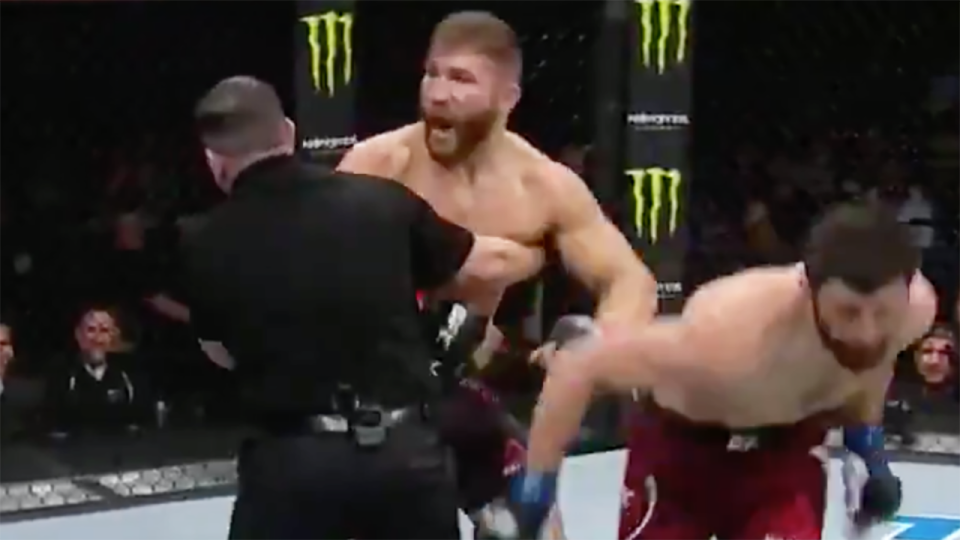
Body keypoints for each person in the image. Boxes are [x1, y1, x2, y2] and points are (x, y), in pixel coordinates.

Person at [180, 75, 545, 540]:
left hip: (292, 463)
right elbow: (488, 263)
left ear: (214, 159)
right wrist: (538, 251)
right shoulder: (379, 201)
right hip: (402, 456)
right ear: (289, 133)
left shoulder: (204, 241)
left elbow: (220, 354)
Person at [336, 11, 657, 537]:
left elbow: (630, 281)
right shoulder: (379, 165)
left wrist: (596, 349)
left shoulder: (541, 186)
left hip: (461, 396)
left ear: (508, 97)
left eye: (460, 79)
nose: (437, 94)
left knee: (537, 530)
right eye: (432, 74)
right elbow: (316, 271)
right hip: (373, 400)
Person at [512, 202, 937, 540]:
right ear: (809, 288)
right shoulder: (732, 330)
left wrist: (869, 451)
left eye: (882, 312)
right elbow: (580, 366)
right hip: (680, 456)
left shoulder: (913, 312)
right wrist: (537, 491)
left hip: (784, 457)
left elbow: (868, 369)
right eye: (847, 311)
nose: (866, 330)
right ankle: (611, 335)